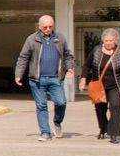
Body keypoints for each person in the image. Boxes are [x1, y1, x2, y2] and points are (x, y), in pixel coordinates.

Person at [13, 14, 75, 142]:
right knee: (41, 106)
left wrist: (69, 67)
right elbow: (23, 57)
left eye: (50, 26)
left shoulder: (60, 38)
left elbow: (67, 55)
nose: (48, 29)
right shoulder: (32, 39)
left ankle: (57, 121)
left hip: (55, 78)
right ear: (39, 27)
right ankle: (45, 132)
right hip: (37, 80)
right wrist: (18, 74)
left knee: (61, 102)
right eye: (45, 27)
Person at [81, 27, 120, 143]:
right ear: (103, 40)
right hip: (99, 85)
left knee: (115, 107)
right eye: (106, 40)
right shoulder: (96, 51)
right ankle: (103, 128)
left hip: (116, 86)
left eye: (111, 40)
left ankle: (114, 134)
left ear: (115, 41)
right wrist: (83, 78)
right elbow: (86, 65)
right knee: (100, 109)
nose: (108, 43)